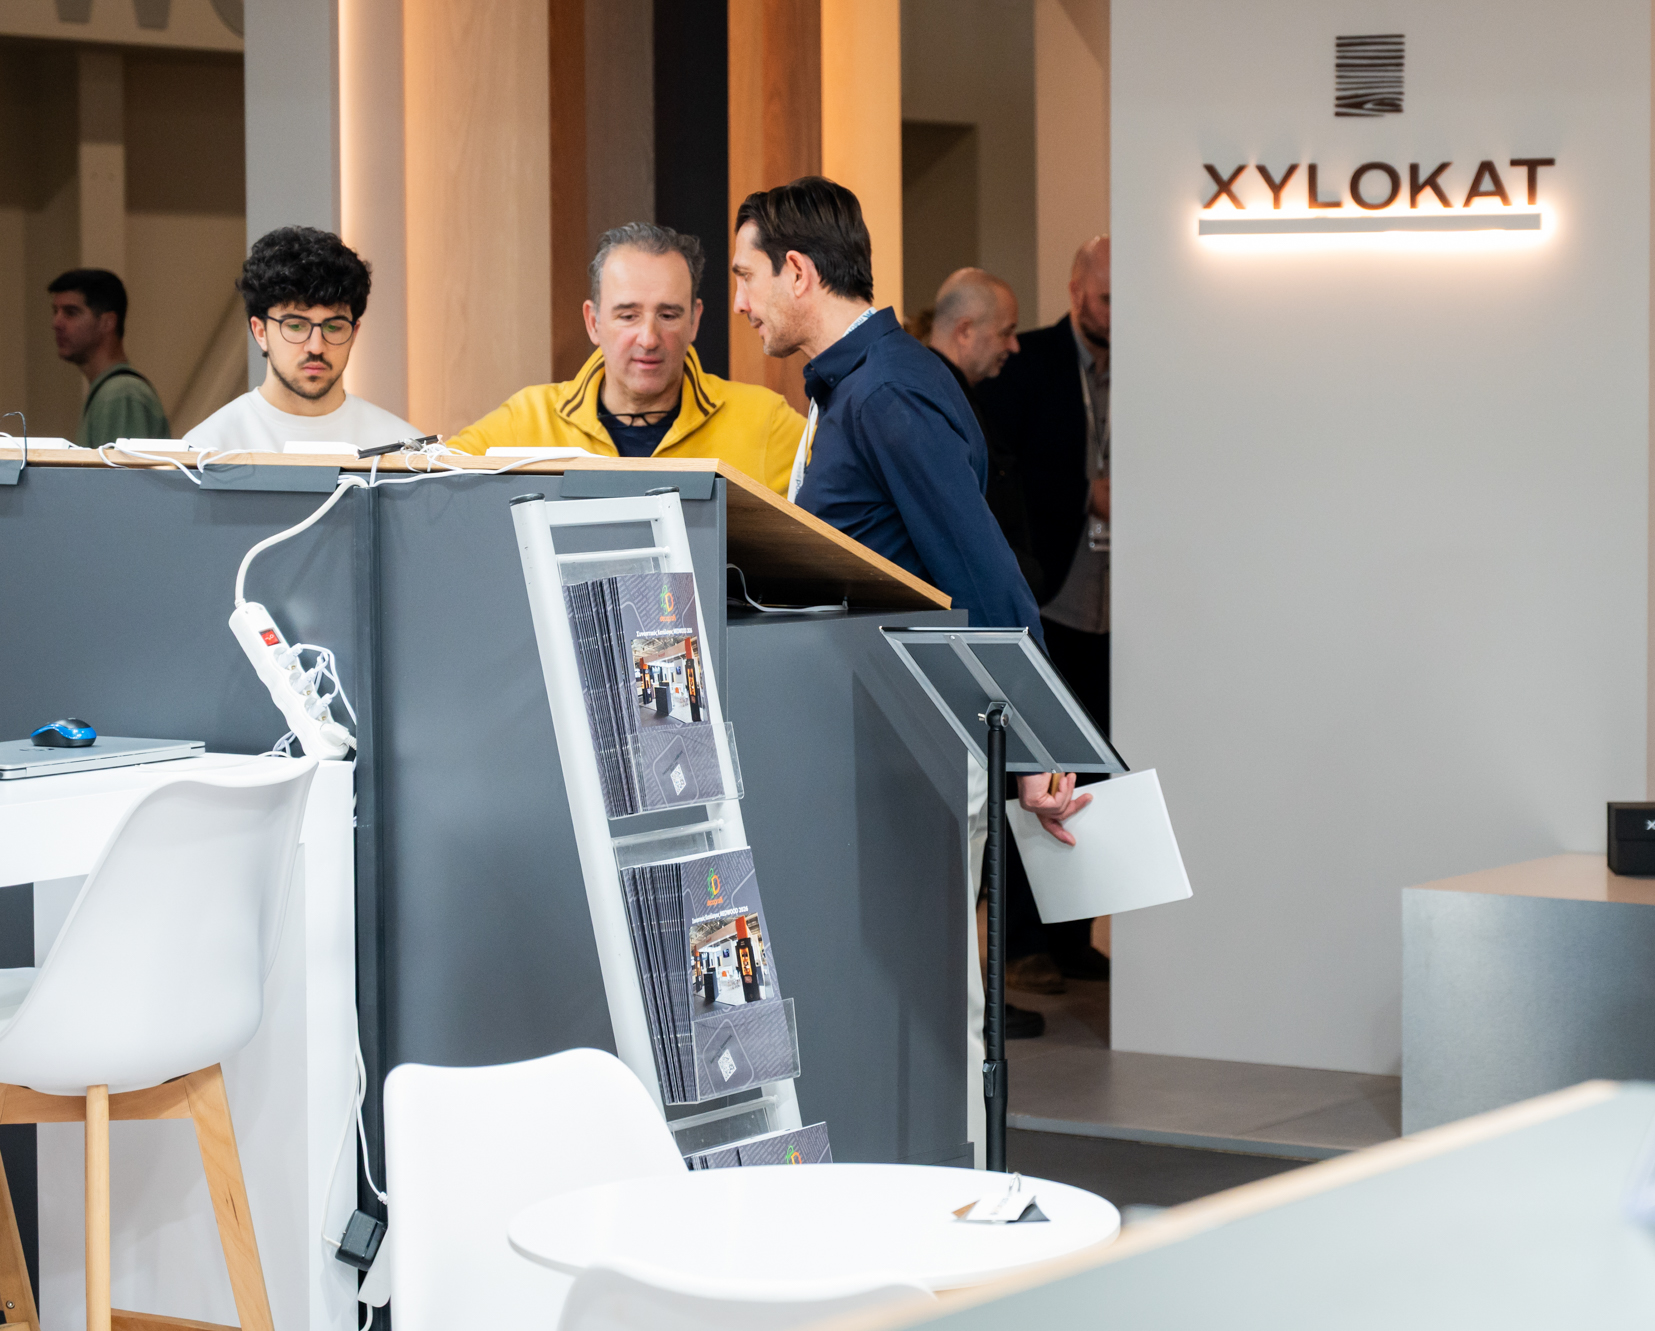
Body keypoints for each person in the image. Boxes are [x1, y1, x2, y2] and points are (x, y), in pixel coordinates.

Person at [729, 176, 1088, 1049]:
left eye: (745, 276)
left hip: (913, 748)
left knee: (929, 1012)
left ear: (798, 272)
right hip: (872, 747)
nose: (739, 303)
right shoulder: (855, 386)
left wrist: (1034, 746)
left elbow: (984, 573)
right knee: (892, 1007)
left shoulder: (887, 391)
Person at [975, 236, 1113, 993]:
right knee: (1033, 769)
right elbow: (1010, 478)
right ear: (1076, 289)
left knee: (1094, 771)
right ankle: (1021, 941)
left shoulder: (1153, 363)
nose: (1117, 313)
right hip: (1049, 599)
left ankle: (1071, 936)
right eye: (1107, 297)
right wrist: (1088, 495)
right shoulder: (1028, 364)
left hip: (1119, 607)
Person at [450, 224, 804, 495]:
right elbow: (426, 482)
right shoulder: (526, 420)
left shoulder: (765, 423)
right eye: (628, 316)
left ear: (694, 321)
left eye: (668, 315)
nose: (648, 339)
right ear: (593, 322)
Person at [184, 227, 420, 453]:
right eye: (296, 326)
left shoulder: (404, 450)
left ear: (354, 333)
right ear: (260, 332)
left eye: (333, 327)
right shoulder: (206, 450)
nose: (316, 347)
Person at [925, 268, 1040, 595]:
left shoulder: (953, 396)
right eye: (1006, 333)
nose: (1014, 346)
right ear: (965, 331)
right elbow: (962, 529)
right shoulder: (937, 406)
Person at [48, 269, 170, 447]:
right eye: (55, 312)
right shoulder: (114, 391)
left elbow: (120, 466)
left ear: (108, 322)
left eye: (71, 312)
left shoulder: (121, 393)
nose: (56, 323)